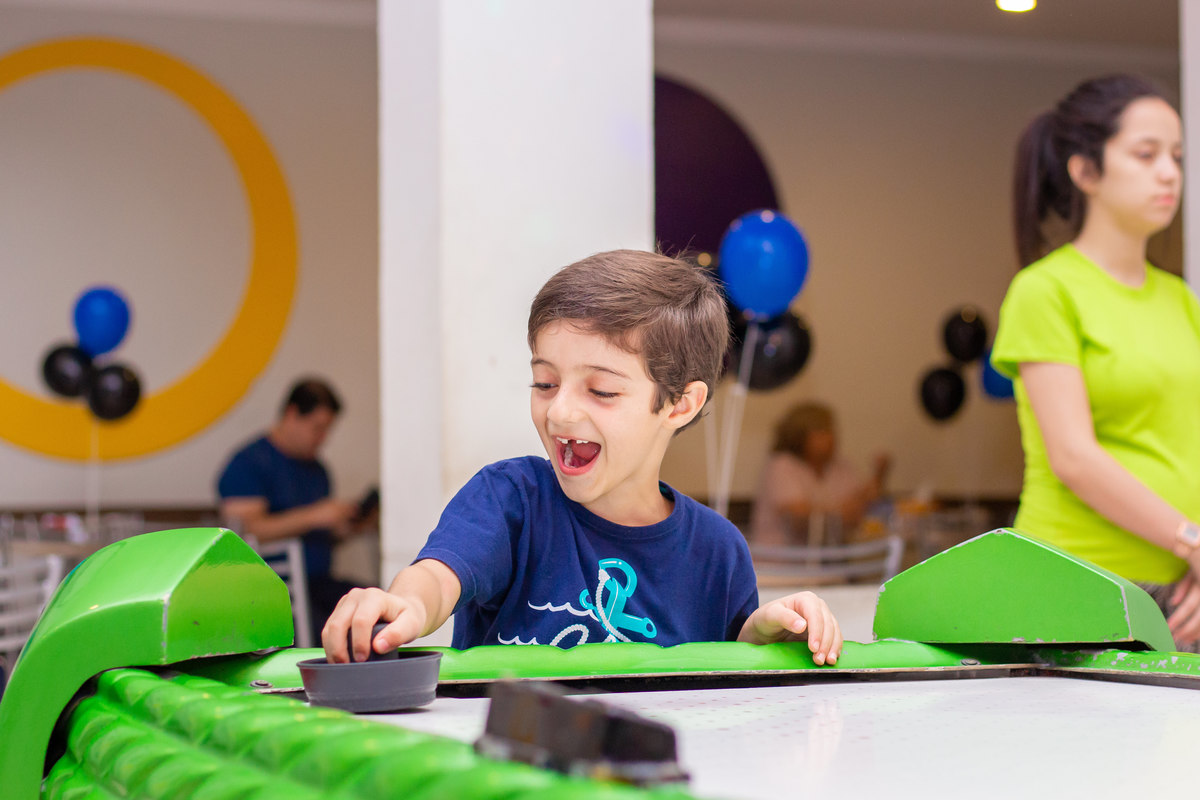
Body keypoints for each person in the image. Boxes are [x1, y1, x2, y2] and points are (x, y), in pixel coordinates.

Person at [322, 250, 843, 664]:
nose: (561, 412)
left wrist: (769, 636)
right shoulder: (511, 501)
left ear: (681, 403)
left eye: (601, 390)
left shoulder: (717, 551)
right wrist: (407, 604)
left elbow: (725, 675)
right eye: (544, 382)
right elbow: (437, 578)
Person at [991, 74, 1200, 649]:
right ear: (1085, 172)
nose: (1169, 173)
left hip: (1178, 590)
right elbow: (1074, 458)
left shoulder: (1181, 299)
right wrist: (1193, 542)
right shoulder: (1046, 291)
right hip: (1080, 585)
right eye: (1146, 154)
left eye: (1177, 157)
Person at [217, 378, 371, 643]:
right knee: (323, 627)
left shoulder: (318, 470)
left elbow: (323, 537)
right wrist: (314, 516)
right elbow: (244, 532)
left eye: (327, 430)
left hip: (319, 583)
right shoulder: (248, 463)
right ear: (292, 414)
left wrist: (349, 527)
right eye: (318, 428)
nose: (323, 438)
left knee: (370, 605)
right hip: (271, 590)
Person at [749, 402, 891, 548]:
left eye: (831, 431)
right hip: (781, 563)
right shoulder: (781, 465)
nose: (831, 438)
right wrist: (842, 511)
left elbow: (864, 502)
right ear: (799, 436)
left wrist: (879, 474)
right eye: (821, 432)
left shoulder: (838, 466)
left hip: (826, 560)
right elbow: (799, 517)